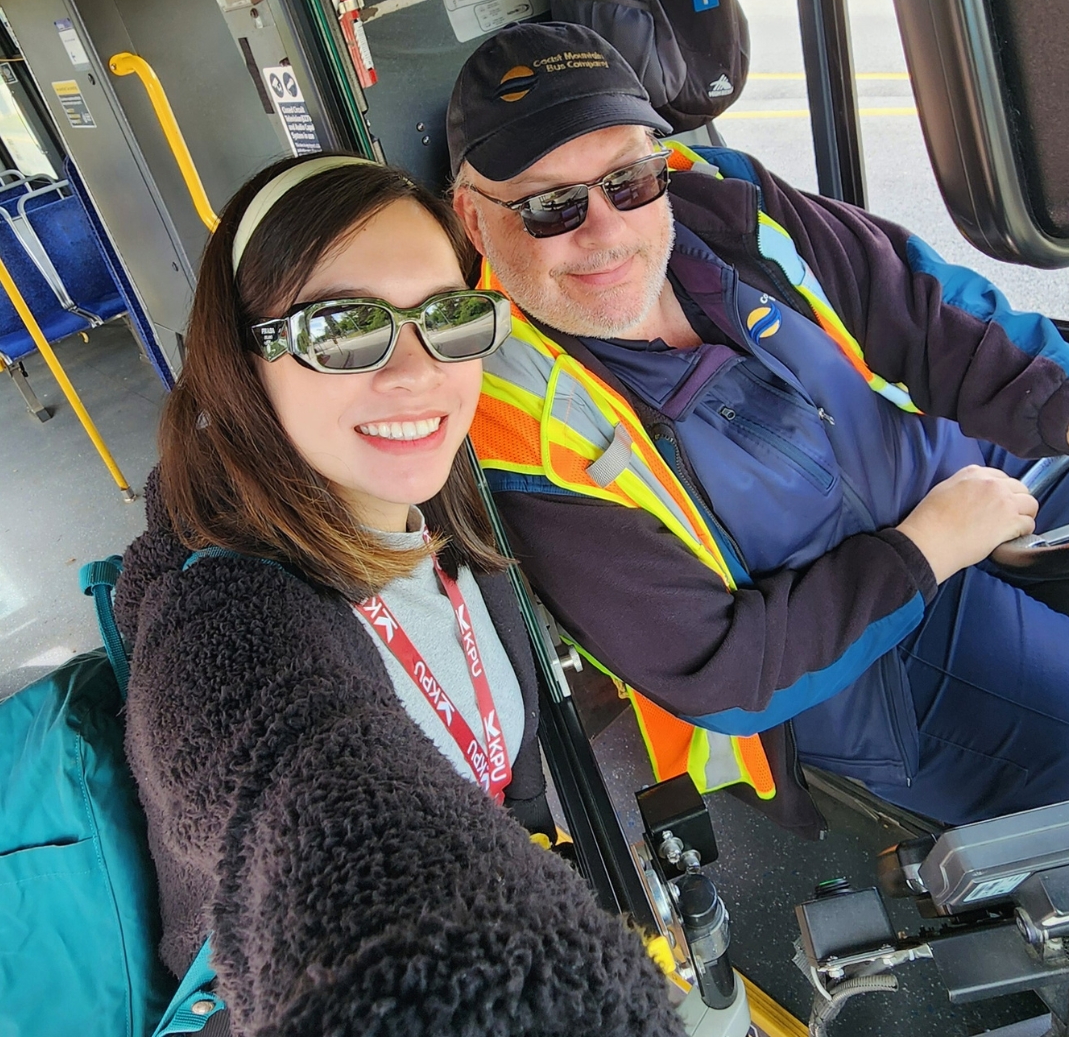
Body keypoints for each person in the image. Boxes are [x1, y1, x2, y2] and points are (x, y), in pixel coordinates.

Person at [447, 21, 1069, 837]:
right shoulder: (518, 429)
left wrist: (1060, 403)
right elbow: (721, 670)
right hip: (871, 661)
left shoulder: (720, 200)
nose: (605, 231)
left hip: (979, 475)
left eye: (630, 180)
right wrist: (927, 548)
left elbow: (918, 309)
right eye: (549, 205)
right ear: (473, 219)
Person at [113, 153, 685, 1036]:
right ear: (241, 361)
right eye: (343, 329)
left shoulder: (440, 510)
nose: (417, 372)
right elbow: (315, 814)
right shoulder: (218, 627)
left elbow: (513, 786)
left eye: (450, 318)